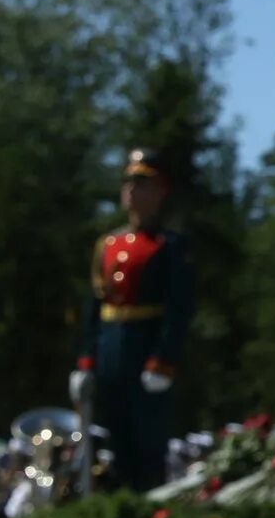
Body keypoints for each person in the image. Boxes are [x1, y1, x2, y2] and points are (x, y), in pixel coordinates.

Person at [69, 149, 193, 494]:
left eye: (143, 184)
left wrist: (163, 360)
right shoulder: (108, 244)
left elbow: (178, 308)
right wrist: (86, 360)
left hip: (145, 348)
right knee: (114, 438)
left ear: (160, 192)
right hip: (111, 350)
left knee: (147, 441)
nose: (132, 192)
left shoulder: (170, 246)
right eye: (129, 184)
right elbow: (95, 307)